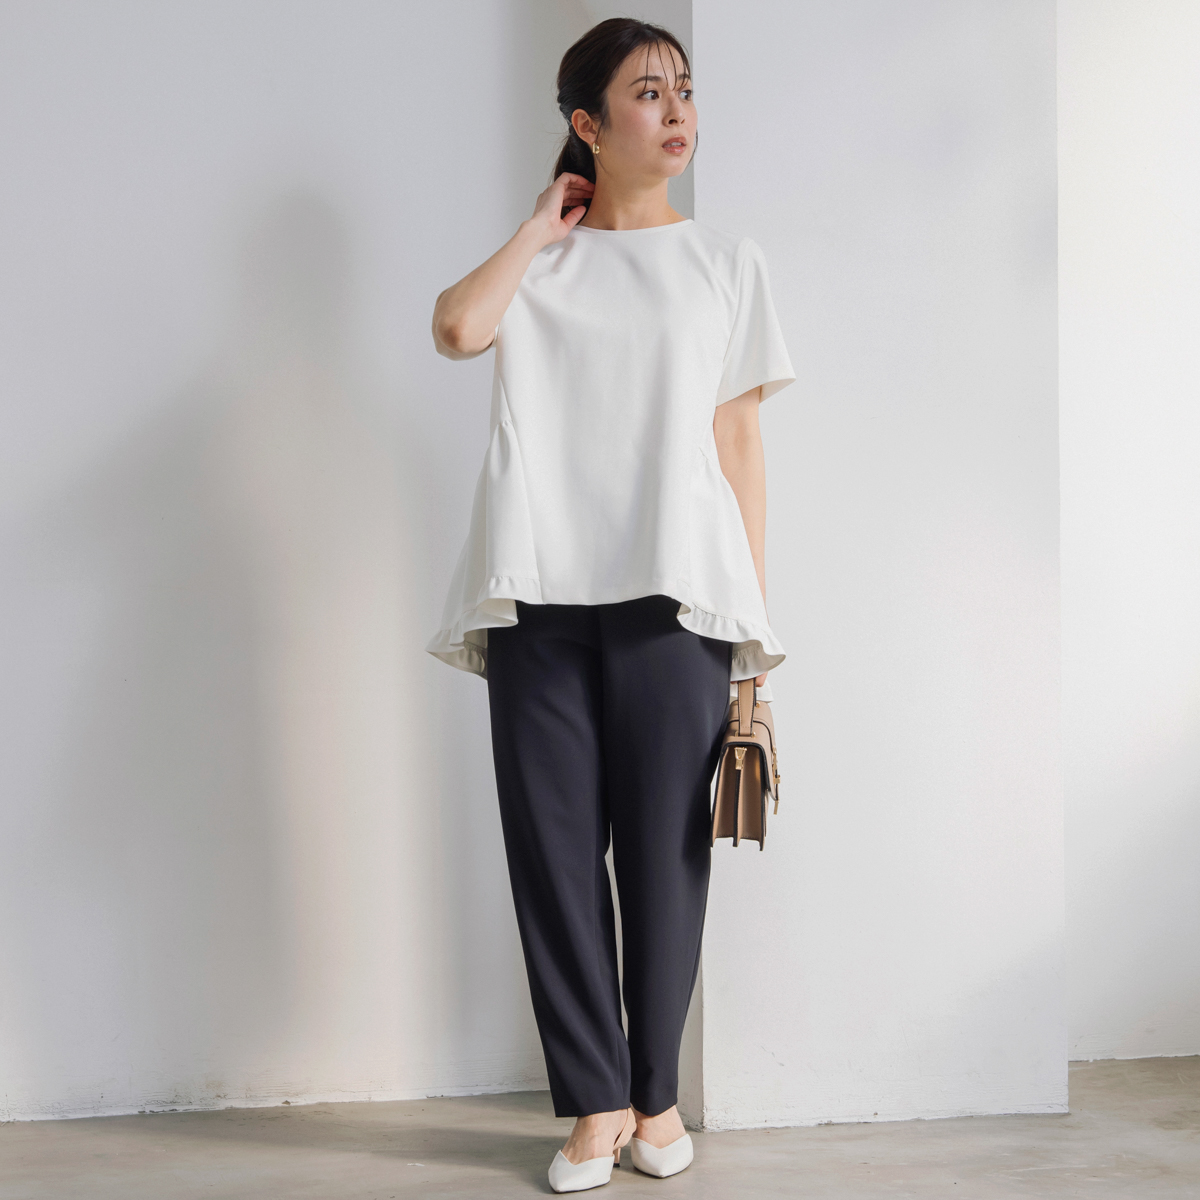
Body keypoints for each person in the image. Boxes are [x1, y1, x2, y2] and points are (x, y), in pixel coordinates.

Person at [425, 18, 794, 1194]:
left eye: (684, 88)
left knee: (664, 857)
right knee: (551, 854)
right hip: (537, 593)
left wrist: (752, 641)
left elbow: (740, 447)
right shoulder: (540, 263)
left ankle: (656, 1095)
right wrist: (540, 227)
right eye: (647, 92)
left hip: (676, 599)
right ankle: (595, 1104)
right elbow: (456, 330)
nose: (677, 111)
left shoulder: (726, 261)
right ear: (587, 123)